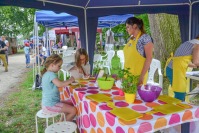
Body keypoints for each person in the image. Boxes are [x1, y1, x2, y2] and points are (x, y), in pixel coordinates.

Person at [41, 54, 76, 121]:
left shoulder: (47, 74)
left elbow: (58, 83)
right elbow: (60, 84)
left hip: (49, 103)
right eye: (59, 66)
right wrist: (70, 80)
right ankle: (62, 126)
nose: (60, 68)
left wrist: (66, 82)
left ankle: (61, 122)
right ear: (52, 65)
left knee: (71, 103)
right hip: (51, 105)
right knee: (73, 110)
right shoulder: (51, 74)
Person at [165, 35, 199, 101]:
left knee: (179, 94)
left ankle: (177, 108)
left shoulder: (190, 43)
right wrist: (196, 64)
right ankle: (177, 110)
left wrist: (196, 65)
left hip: (171, 69)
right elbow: (196, 62)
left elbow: (185, 61)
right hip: (175, 70)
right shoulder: (197, 45)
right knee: (180, 94)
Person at [124, 17, 153, 86]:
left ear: (134, 26)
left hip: (138, 78)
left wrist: (141, 77)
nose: (126, 30)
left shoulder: (145, 38)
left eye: (128, 27)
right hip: (127, 77)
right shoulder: (130, 39)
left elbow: (149, 58)